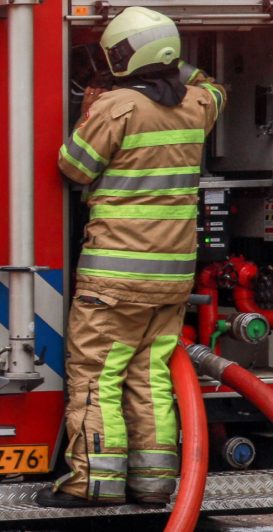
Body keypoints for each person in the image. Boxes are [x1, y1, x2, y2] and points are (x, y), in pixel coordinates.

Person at [36, 6, 226, 509]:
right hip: (173, 276)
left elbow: (74, 168)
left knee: (98, 376)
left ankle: (91, 483)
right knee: (150, 374)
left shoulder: (117, 107)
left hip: (115, 276)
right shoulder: (199, 105)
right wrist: (173, 62)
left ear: (123, 56)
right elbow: (211, 83)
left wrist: (88, 109)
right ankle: (153, 484)